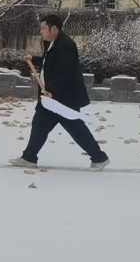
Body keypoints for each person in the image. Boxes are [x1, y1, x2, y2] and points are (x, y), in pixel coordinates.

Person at [10, 14, 109, 170]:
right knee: (40, 124)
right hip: (51, 98)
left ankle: (99, 158)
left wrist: (52, 91)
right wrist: (33, 59)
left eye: (43, 28)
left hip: (63, 98)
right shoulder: (53, 43)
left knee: (75, 127)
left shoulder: (66, 45)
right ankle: (29, 157)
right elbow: (48, 61)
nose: (41, 31)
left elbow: (64, 72)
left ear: (54, 29)